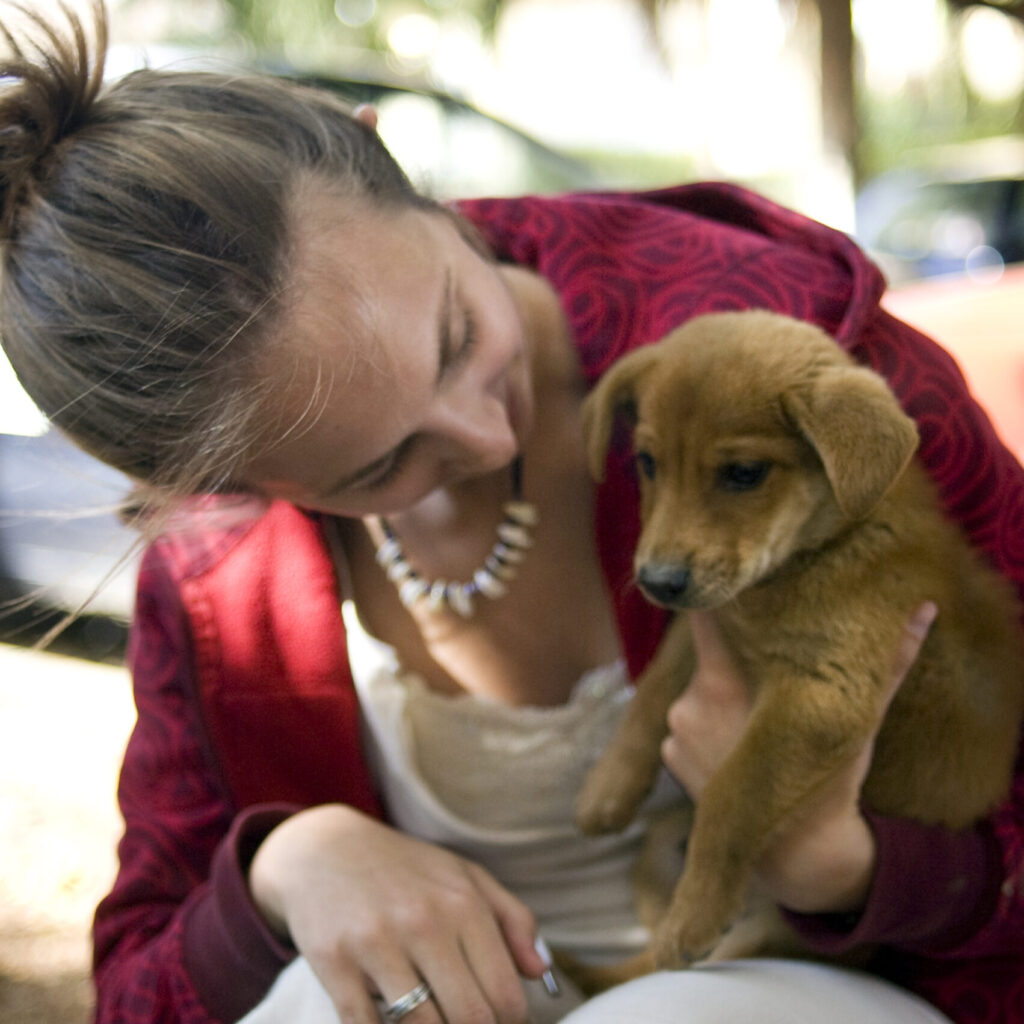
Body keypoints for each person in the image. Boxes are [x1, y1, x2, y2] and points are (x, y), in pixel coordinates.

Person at [2, 4, 1023, 1024]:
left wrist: (856, 871)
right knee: (312, 995)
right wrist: (285, 865)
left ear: (385, 155)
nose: (487, 439)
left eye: (457, 333)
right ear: (219, 485)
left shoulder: (799, 374)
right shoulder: (218, 567)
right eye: (380, 465)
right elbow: (135, 986)